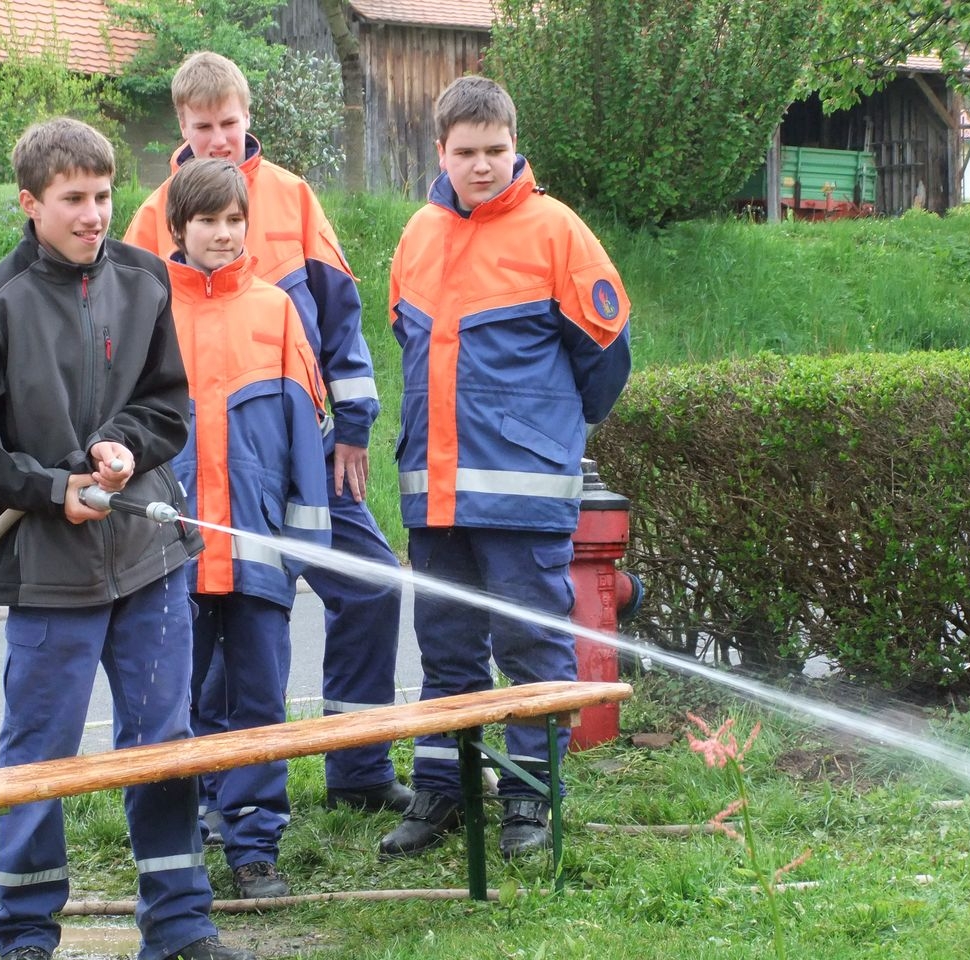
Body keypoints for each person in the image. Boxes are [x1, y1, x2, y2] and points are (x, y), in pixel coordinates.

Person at [0, 117, 254, 960]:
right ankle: (25, 935)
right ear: (30, 204)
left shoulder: (144, 279)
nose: (94, 215)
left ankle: (180, 928)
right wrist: (49, 490)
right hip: (47, 569)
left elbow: (168, 405)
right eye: (73, 199)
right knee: (40, 755)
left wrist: (126, 446)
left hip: (150, 560)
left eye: (103, 196)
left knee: (161, 746)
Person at [123, 52, 411, 819]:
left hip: (304, 455)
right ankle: (219, 791)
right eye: (202, 126)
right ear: (181, 125)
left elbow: (341, 320)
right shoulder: (151, 217)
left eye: (229, 122)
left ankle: (359, 767)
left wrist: (353, 427)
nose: (218, 138)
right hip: (199, 467)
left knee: (373, 585)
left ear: (247, 117)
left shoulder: (293, 198)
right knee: (221, 616)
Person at [380, 76, 632, 861]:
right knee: (445, 649)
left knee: (530, 647)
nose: (482, 165)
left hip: (523, 495)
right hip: (436, 494)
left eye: (495, 149)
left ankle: (528, 799)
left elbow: (606, 359)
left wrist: (545, 436)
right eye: (466, 152)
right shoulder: (418, 235)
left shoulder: (557, 231)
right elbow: (409, 346)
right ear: (440, 152)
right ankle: (443, 791)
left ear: (515, 145)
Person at [163, 158, 332, 899]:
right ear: (179, 227)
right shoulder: (148, 309)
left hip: (259, 550)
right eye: (208, 220)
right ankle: (182, 834)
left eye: (236, 220)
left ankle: (255, 846)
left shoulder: (277, 310)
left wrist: (301, 546)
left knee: (260, 701)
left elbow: (308, 436)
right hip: (171, 557)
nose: (225, 234)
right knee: (176, 701)